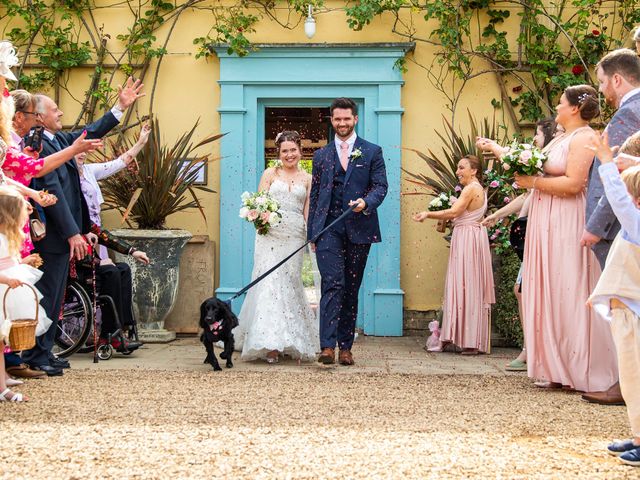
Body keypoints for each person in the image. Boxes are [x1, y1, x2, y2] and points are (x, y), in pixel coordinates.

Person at [21, 78, 144, 376]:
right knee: (48, 294)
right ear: (39, 117)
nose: (61, 112)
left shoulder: (59, 141)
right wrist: (72, 232)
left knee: (55, 295)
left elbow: (90, 131)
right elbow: (54, 193)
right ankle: (37, 355)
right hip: (52, 237)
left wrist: (119, 108)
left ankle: (46, 351)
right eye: (55, 109)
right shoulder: (38, 146)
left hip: (64, 236)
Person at [515, 84, 617, 392]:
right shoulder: (561, 137)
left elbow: (575, 184)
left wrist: (532, 181)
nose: (557, 108)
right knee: (550, 286)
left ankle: (580, 368)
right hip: (546, 219)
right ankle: (555, 366)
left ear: (574, 108)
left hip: (566, 220)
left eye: (561, 103)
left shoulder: (585, 137)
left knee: (569, 285)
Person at [308, 98, 388, 366]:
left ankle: (346, 347)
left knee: (351, 288)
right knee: (333, 284)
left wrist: (366, 202)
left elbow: (380, 186)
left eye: (346, 118)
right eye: (337, 119)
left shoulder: (372, 151)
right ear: (331, 121)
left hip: (359, 228)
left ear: (355, 119)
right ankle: (327, 347)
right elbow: (316, 195)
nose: (342, 123)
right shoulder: (320, 155)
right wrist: (314, 234)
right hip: (329, 229)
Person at [581, 48, 640, 404]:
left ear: (617, 79)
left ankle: (626, 384)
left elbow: (617, 178)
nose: (603, 91)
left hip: (621, 229)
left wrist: (595, 226)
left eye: (603, 83)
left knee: (625, 310)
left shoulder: (629, 113)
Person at [478, 117, 558, 369]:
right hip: (528, 236)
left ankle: (532, 350)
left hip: (541, 236)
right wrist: (496, 215)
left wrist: (495, 148)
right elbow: (527, 197)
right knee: (522, 290)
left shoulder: (546, 165)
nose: (534, 138)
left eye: (537, 134)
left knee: (523, 290)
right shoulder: (543, 167)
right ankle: (530, 348)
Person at [233, 131, 319, 363]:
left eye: (293, 150)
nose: (289, 154)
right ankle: (270, 342)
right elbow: (258, 201)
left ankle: (290, 338)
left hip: (295, 235)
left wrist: (310, 236)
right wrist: (261, 218)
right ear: (278, 153)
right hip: (270, 235)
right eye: (284, 151)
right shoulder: (270, 173)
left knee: (290, 282)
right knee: (270, 282)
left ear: (300, 151)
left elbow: (307, 210)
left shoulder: (308, 179)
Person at [586, 131, 640, 467]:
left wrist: (607, 162)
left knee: (636, 378)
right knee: (632, 380)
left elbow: (619, 199)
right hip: (626, 312)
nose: (630, 199)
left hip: (633, 313)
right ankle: (637, 434)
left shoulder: (635, 224)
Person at [413, 155, 495, 354]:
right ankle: (463, 336)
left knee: (465, 285)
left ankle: (469, 340)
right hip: (471, 237)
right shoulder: (479, 188)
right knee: (467, 285)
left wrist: (428, 214)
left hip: (468, 239)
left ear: (474, 170)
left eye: (462, 168)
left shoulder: (471, 189)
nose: (458, 172)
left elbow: (454, 212)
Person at [0, 186, 57, 401]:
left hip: (7, 291)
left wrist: (22, 262)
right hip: (3, 289)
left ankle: (2, 386)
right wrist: (6, 279)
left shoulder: (7, 238)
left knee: (1, 344)